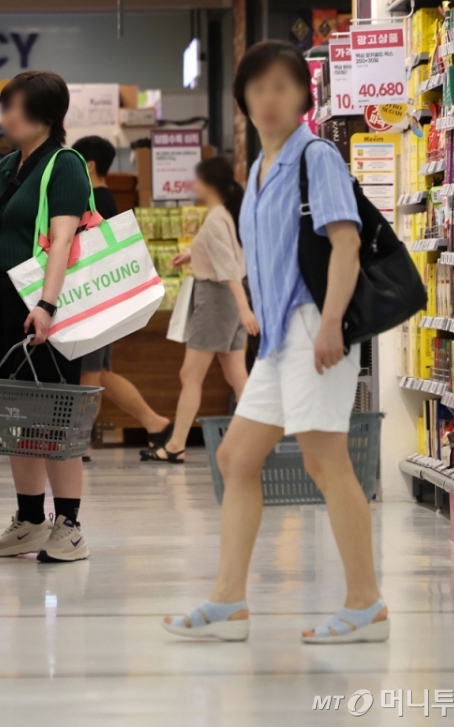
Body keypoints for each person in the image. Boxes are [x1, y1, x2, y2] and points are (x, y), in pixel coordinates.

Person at [163, 40, 387, 644]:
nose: (269, 98)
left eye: (283, 86)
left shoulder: (318, 158)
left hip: (318, 325)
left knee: (324, 460)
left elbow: (345, 243)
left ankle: (366, 605)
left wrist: (335, 323)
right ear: (242, 100)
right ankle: (228, 601)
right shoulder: (258, 171)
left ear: (303, 97)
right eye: (258, 88)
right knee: (236, 459)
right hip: (279, 337)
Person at [0, 71, 91, 563]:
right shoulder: (9, 166)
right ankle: (28, 521)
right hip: (1, 304)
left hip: (42, 308)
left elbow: (63, 238)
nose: (6, 116)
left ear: (42, 112)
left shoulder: (65, 165)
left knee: (52, 418)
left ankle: (69, 526)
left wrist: (46, 304)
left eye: (14, 106)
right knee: (13, 416)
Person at [143, 157, 256, 463]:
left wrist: (245, 310)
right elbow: (229, 256)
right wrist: (191, 254)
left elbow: (228, 267)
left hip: (218, 300)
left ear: (208, 185)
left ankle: (177, 444)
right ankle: (256, 440)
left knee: (190, 374)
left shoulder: (217, 218)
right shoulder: (225, 215)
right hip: (229, 299)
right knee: (237, 376)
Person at [70, 135, 171, 457]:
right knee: (100, 374)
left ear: (89, 165)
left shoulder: (94, 202)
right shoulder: (106, 199)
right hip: (101, 301)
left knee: (90, 375)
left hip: (93, 303)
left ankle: (79, 442)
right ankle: (156, 424)